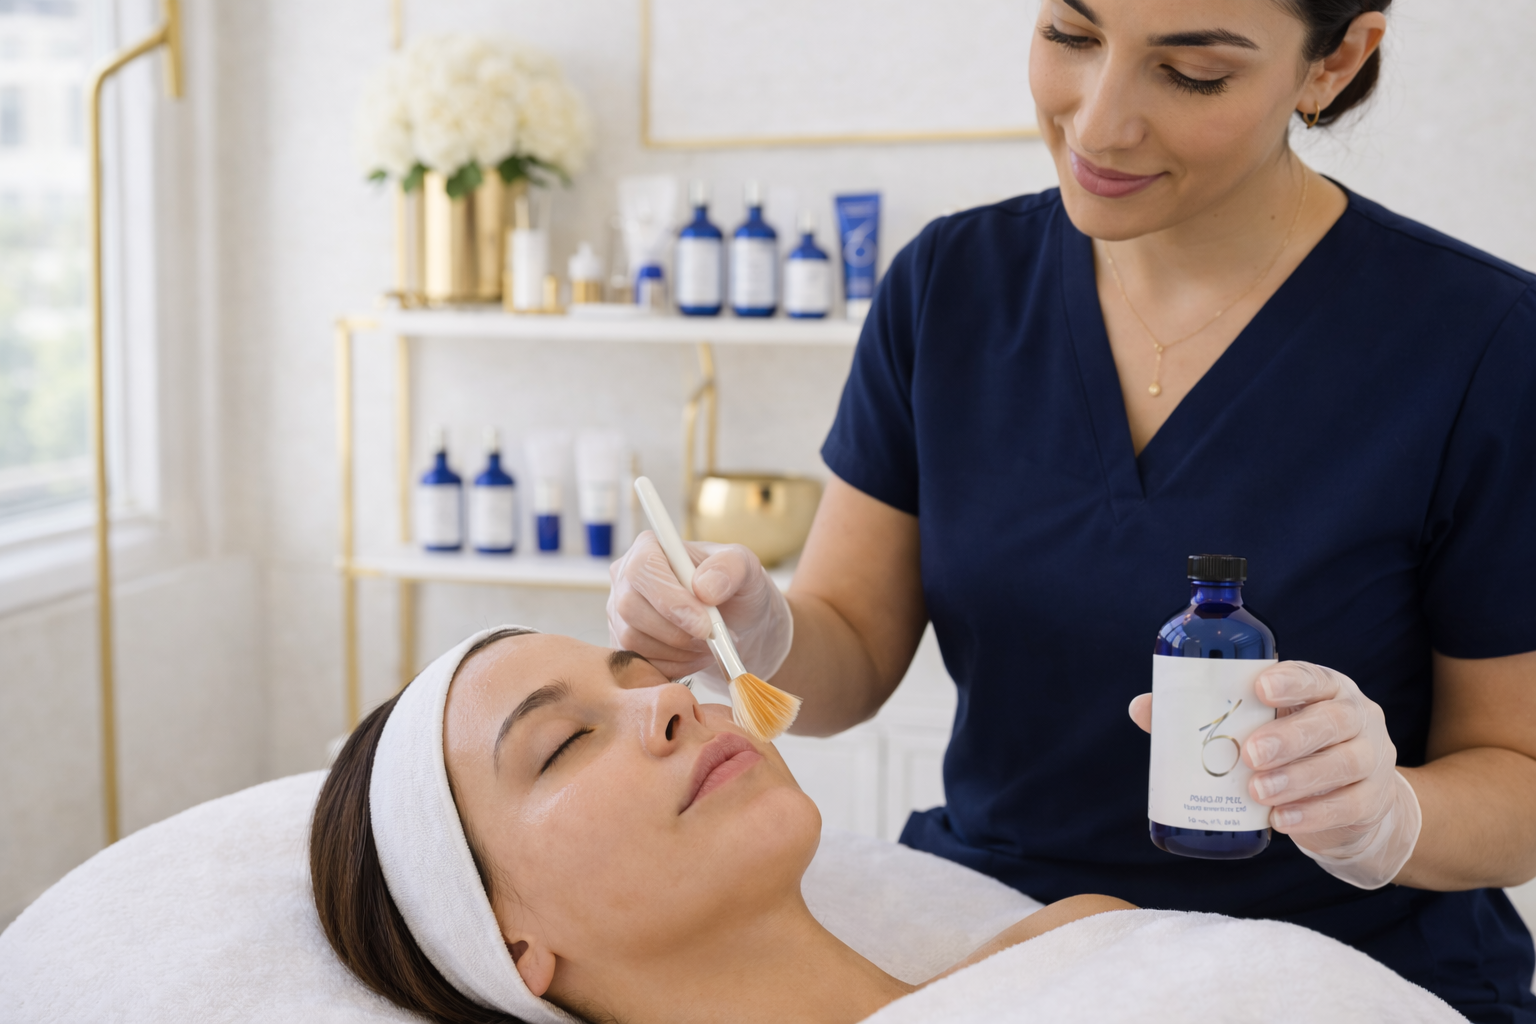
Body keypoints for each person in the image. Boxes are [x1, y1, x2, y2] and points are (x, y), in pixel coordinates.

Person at [607, 1, 1536, 1020]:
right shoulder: (949, 286)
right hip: (993, 938)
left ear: (1336, 61)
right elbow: (851, 658)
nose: (1097, 125)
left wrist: (1390, 816)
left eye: (1191, 74)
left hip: (1337, 968)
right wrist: (757, 630)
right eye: (1072, 36)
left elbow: (1519, 778)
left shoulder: (1482, 344)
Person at [309, 627, 1133, 1024]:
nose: (671, 699)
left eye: (646, 677)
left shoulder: (1080, 947)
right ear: (509, 944)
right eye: (562, 743)